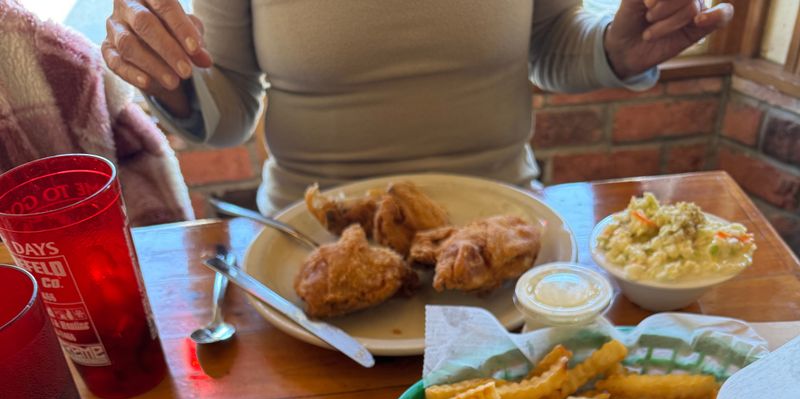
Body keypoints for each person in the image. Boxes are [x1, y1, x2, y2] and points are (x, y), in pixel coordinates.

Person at [100, 0, 732, 215]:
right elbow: (230, 104)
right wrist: (173, 79)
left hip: (503, 223)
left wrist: (620, 49)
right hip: (312, 241)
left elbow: (550, 42)